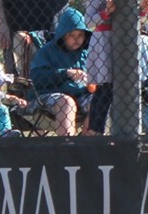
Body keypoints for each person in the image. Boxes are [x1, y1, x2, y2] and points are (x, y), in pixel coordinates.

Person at [84, 0, 148, 135]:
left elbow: (134, 17)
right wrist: (106, 12)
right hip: (104, 41)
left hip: (125, 41)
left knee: (123, 85)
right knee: (105, 88)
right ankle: (96, 130)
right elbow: (88, 21)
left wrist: (143, 9)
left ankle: (107, 131)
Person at [29, 7, 92, 136]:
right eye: (71, 35)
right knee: (67, 102)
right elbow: (37, 78)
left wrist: (91, 82)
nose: (76, 39)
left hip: (79, 94)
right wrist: (65, 73)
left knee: (98, 100)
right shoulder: (47, 51)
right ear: (62, 35)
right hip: (50, 94)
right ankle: (67, 146)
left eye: (80, 35)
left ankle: (89, 142)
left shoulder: (85, 53)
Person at [0, 0, 69, 76]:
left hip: (55, 17)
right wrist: (1, 24)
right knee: (23, 79)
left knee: (58, 72)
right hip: (19, 26)